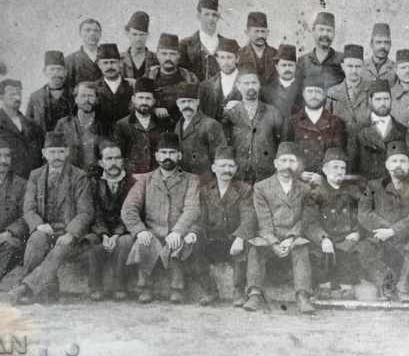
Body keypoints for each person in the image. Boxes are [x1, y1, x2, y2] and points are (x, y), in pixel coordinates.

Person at [12, 131, 93, 304]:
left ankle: (25, 289)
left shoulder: (79, 176)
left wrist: (71, 233)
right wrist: (39, 225)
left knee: (59, 250)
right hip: (46, 229)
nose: (56, 156)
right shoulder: (36, 175)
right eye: (52, 152)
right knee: (36, 239)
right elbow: (29, 209)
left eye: (60, 151)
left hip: (69, 233)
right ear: (44, 153)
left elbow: (85, 212)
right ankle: (34, 290)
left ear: (67, 152)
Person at [120, 133, 201, 304]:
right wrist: (140, 230)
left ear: (179, 155)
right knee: (144, 241)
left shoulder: (191, 179)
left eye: (172, 153)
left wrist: (178, 231)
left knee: (179, 244)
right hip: (153, 232)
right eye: (163, 153)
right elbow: (128, 209)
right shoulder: (145, 180)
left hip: (177, 231)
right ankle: (145, 287)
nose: (167, 157)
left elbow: (192, 209)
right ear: (157, 156)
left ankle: (177, 288)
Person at [243, 142, 316, 314]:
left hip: (293, 236)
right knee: (255, 248)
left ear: (297, 164)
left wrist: (291, 238)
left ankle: (302, 296)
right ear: (275, 163)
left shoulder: (305, 189)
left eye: (291, 161)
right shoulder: (261, 187)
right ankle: (254, 294)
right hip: (269, 235)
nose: (287, 165)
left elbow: (305, 218)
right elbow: (263, 219)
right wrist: (274, 242)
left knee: (301, 249)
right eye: (283, 161)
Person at [356, 140, 409, 302]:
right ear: (387, 165)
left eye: (403, 161)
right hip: (380, 240)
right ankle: (386, 285)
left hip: (407, 240)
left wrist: (393, 231)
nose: (398, 165)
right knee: (363, 249)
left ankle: (404, 289)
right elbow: (363, 213)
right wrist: (385, 228)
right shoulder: (373, 186)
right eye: (394, 161)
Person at [193, 146, 255, 306]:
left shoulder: (245, 189)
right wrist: (194, 234)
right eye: (222, 166)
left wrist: (240, 237)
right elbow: (201, 219)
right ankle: (209, 290)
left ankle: (238, 291)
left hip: (233, 239)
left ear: (236, 168)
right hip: (213, 240)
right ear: (214, 168)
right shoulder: (205, 191)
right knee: (194, 243)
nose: (227, 170)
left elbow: (248, 217)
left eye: (231, 166)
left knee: (246, 244)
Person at [305, 148, 364, 295]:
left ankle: (346, 285)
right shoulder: (315, 193)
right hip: (325, 239)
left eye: (343, 168)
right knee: (319, 254)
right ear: (325, 170)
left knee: (351, 252)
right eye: (335, 167)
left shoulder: (354, 192)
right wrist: (322, 238)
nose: (339, 171)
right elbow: (310, 222)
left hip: (346, 239)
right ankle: (323, 284)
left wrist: (358, 232)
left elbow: (364, 215)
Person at [87, 140, 134, 301]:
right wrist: (104, 234)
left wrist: (116, 235)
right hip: (100, 229)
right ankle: (96, 287)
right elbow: (95, 212)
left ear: (122, 161)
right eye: (109, 159)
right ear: (101, 162)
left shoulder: (132, 182)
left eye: (117, 158)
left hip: (124, 229)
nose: (113, 163)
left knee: (125, 242)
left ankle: (119, 286)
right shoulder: (93, 183)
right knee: (91, 242)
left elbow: (131, 212)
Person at [224, 70, 288, 184]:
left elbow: (283, 143)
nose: (250, 87)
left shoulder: (273, 113)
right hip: (238, 175)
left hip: (266, 175)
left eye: (254, 83)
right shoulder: (230, 113)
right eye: (246, 83)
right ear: (238, 86)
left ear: (259, 85)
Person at [348, 79, 409, 183]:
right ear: (370, 101)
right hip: (367, 188)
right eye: (378, 99)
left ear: (391, 100)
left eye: (386, 99)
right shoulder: (357, 130)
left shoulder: (403, 130)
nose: (382, 103)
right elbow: (352, 167)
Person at [0, 137, 28, 289]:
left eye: (7, 156)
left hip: (5, 239)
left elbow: (26, 215)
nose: (3, 160)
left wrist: (10, 232)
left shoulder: (21, 185)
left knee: (13, 245)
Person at [290, 74, 348, 177]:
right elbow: (287, 155)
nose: (314, 96)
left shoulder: (336, 122)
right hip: (299, 179)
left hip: (326, 179)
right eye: (310, 91)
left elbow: (338, 156)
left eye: (318, 92)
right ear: (303, 94)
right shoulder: (292, 122)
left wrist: (322, 177)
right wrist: (298, 173)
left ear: (324, 94)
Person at [0, 79, 44, 180]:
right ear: (1, 97)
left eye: (19, 94)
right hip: (8, 182)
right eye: (12, 94)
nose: (17, 98)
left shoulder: (32, 125)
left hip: (33, 181)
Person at [113, 77, 170, 175]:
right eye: (140, 98)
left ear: (154, 101)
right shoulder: (122, 125)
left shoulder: (163, 123)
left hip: (157, 176)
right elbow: (118, 156)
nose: (144, 102)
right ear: (133, 99)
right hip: (132, 176)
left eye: (148, 98)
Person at [174, 83, 226, 177]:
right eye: (183, 102)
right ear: (178, 104)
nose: (187, 105)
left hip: (204, 178)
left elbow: (221, 157)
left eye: (190, 101)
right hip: (184, 177)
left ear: (197, 102)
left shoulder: (210, 124)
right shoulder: (178, 125)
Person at [147, 33, 199, 123]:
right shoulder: (149, 77)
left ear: (179, 55)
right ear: (157, 55)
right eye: (164, 53)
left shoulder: (189, 78)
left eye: (172, 54)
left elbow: (200, 103)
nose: (168, 58)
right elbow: (135, 103)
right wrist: (153, 109)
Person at [53, 81, 104, 172]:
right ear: (76, 99)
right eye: (83, 96)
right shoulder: (63, 124)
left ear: (96, 99)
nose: (87, 100)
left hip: (96, 176)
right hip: (70, 175)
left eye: (91, 96)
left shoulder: (104, 125)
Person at [326, 44, 372, 135]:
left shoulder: (371, 90)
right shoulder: (332, 93)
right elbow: (327, 123)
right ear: (343, 66)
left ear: (363, 67)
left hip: (366, 141)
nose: (354, 71)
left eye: (358, 66)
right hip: (340, 141)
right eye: (350, 66)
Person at [179, 0, 225, 82]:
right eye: (206, 14)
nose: (211, 18)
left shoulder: (227, 44)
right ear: (199, 16)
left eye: (214, 15)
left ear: (218, 18)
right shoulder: (185, 45)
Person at [26, 50, 73, 133]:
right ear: (45, 71)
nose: (56, 73)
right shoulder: (35, 97)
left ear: (65, 72)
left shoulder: (74, 95)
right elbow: (28, 126)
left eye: (59, 69)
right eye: (52, 69)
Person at [198, 37, 242, 123]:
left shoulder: (249, 83)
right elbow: (202, 117)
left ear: (237, 59)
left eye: (229, 57)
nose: (225, 62)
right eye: (222, 57)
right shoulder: (206, 86)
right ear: (217, 59)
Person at [95, 43, 134, 135]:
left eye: (113, 62)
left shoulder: (131, 86)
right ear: (99, 65)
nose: (109, 66)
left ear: (120, 63)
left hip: (128, 136)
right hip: (102, 136)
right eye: (105, 63)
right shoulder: (94, 88)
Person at [297, 11, 345, 87]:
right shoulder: (302, 61)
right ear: (313, 31)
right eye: (321, 29)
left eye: (329, 30)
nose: (325, 34)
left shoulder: (343, 60)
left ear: (334, 34)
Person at [261, 44, 303, 120]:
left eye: (290, 65)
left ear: (296, 66)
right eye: (284, 65)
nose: (287, 69)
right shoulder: (267, 89)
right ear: (277, 67)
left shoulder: (303, 88)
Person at [237, 11, 278, 85]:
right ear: (247, 32)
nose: (260, 35)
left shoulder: (276, 54)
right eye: (256, 31)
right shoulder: (239, 55)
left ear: (268, 32)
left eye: (263, 31)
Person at [65, 18, 103, 91]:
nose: (92, 33)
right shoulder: (70, 60)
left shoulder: (108, 57)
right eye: (87, 30)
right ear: (80, 33)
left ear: (100, 34)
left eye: (96, 30)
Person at [121, 10, 159, 81]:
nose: (138, 39)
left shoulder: (156, 59)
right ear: (128, 34)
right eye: (134, 34)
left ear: (147, 35)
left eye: (142, 35)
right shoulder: (119, 59)